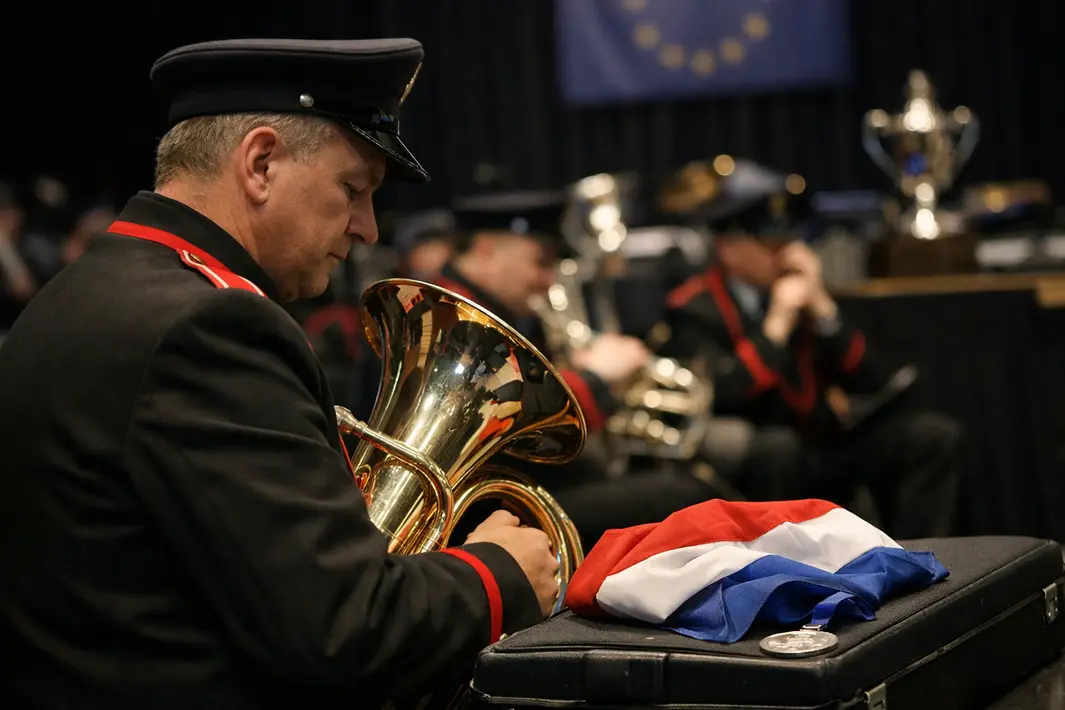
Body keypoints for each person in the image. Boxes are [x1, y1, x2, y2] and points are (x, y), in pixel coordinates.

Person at [0, 38, 558, 709]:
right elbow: (343, 632)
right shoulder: (211, 328)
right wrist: (499, 571)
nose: (367, 229)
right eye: (353, 190)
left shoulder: (84, 289)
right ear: (260, 162)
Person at [662, 165, 961, 539]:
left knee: (931, 436)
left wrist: (824, 311)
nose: (787, 252)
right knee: (778, 451)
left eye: (790, 238)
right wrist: (777, 323)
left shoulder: (803, 292)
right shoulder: (693, 307)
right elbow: (723, 394)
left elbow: (875, 380)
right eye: (771, 241)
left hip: (821, 443)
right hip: (759, 455)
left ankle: (919, 561)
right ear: (729, 247)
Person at [433, 189, 725, 546]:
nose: (548, 280)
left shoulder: (498, 311)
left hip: (524, 489)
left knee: (679, 481)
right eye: (539, 262)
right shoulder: (450, 313)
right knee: (684, 498)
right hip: (483, 512)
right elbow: (505, 422)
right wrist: (595, 378)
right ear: (486, 250)